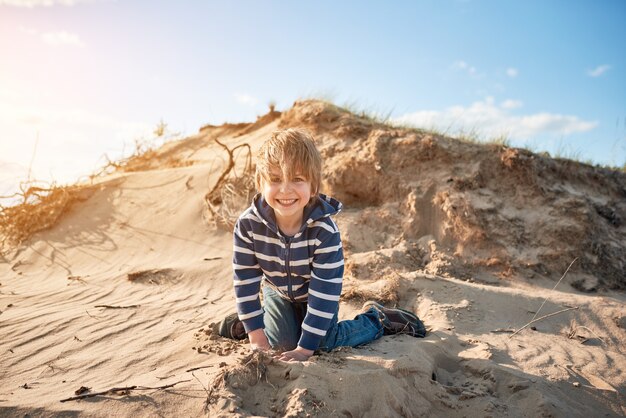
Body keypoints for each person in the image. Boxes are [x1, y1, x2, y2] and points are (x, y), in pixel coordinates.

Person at [228, 128, 425, 362]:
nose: (285, 189)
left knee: (321, 342)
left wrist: (304, 350)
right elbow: (245, 282)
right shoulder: (248, 225)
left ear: (313, 187)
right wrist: (256, 338)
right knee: (281, 344)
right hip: (278, 292)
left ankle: (377, 319)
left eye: (297, 179)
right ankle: (244, 324)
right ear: (260, 183)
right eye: (275, 179)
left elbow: (324, 293)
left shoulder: (324, 231)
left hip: (315, 295)